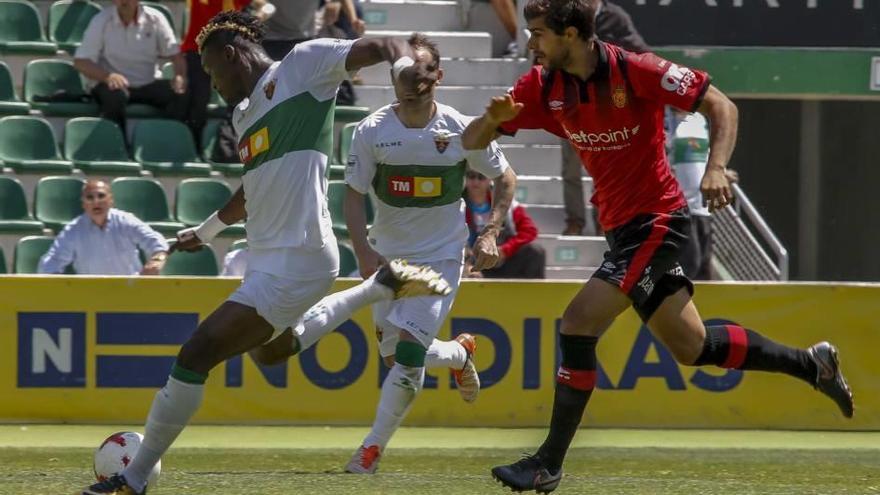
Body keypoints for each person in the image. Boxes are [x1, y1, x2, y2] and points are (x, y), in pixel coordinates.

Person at [461, 0, 854, 492]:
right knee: (692, 347)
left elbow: (721, 104)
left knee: (578, 323)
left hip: (659, 222)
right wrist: (488, 121)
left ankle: (548, 463)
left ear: (570, 34)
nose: (530, 44)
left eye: (538, 33)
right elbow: (469, 144)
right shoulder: (540, 86)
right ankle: (810, 364)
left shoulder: (636, 69)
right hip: (620, 230)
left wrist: (714, 167)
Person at [77, 11, 452, 495]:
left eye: (210, 72)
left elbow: (385, 44)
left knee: (197, 352)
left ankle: (134, 476)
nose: (210, 85)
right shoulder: (242, 115)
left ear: (231, 55)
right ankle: (376, 289)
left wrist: (404, 67)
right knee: (271, 352)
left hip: (298, 258)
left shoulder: (302, 66)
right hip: (271, 260)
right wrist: (208, 230)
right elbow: (251, 191)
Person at [343, 33, 518, 473]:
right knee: (393, 357)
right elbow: (351, 196)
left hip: (440, 258)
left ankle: (370, 452)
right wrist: (363, 250)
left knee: (405, 355)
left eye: (421, 71)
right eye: (403, 71)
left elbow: (506, 176)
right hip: (386, 260)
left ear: (438, 75)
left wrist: (490, 231)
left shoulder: (460, 129)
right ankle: (459, 354)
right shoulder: (372, 130)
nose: (411, 80)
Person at [560, 0, 649, 235]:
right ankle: (575, 221)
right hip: (572, 108)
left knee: (604, 170)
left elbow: (640, 52)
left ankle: (603, 220)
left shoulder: (616, 17)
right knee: (570, 168)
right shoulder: (565, 15)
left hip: (607, 109)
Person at [74, 0, 187, 131]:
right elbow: (81, 62)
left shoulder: (156, 19)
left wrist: (180, 76)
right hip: (112, 85)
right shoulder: (100, 21)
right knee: (115, 96)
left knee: (181, 93)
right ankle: (118, 145)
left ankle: (163, 141)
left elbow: (176, 56)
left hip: (147, 82)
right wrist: (107, 77)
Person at [38, 180, 168, 276]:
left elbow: (155, 241)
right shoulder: (73, 230)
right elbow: (53, 261)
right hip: (91, 296)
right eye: (90, 198)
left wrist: (157, 260)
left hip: (130, 292)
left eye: (101, 196)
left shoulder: (126, 221)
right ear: (83, 204)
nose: (96, 202)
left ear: (111, 200)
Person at [464, 170, 545, 278]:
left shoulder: (505, 202)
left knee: (535, 252)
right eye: (471, 176)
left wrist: (505, 250)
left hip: (501, 258)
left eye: (481, 177)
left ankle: (534, 293)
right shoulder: (456, 204)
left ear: (490, 180)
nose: (476, 181)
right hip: (472, 261)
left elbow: (530, 231)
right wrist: (466, 265)